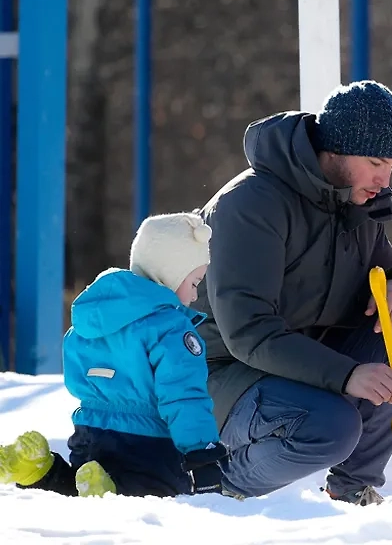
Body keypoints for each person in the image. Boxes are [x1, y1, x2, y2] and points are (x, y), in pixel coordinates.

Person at [192, 79, 392, 506]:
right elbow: (249, 333)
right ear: (335, 150)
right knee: (331, 426)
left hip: (298, 356)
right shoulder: (251, 205)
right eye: (375, 162)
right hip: (216, 372)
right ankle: (215, 486)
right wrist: (348, 375)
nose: (384, 180)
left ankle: (352, 488)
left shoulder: (355, 196)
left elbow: (381, 266)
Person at [0, 212, 228, 498]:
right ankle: (106, 492)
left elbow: (75, 371)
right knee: (153, 496)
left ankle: (39, 471)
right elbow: (184, 395)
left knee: (78, 486)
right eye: (194, 282)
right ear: (172, 272)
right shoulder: (171, 327)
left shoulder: (94, 316)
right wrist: (202, 453)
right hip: (149, 441)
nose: (195, 297)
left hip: (89, 430)